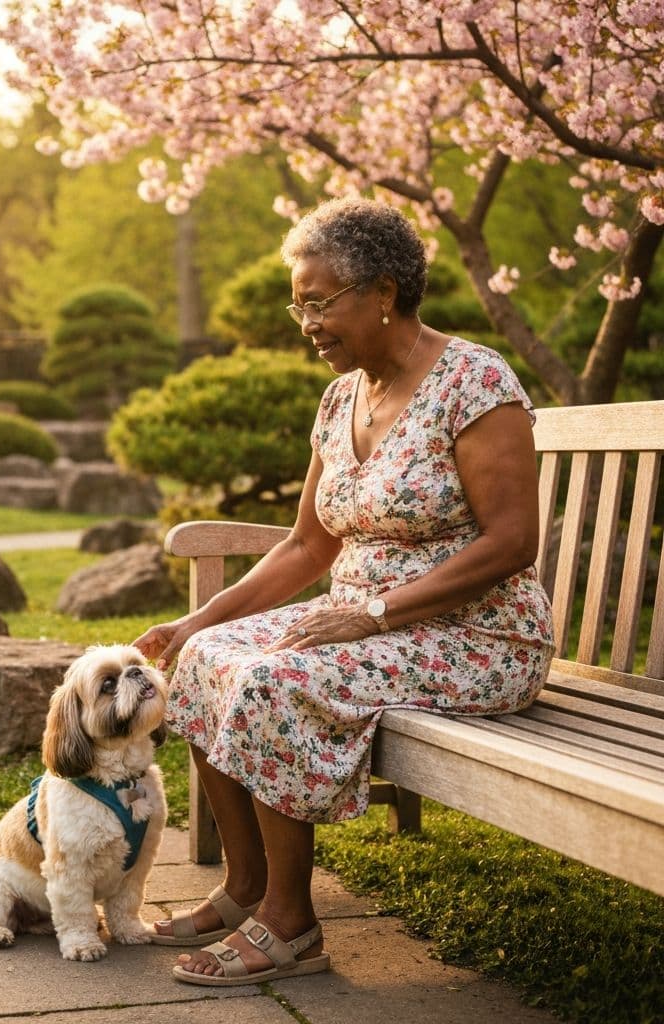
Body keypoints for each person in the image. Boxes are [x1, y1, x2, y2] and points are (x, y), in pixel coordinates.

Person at [133, 197, 554, 987]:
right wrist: (197, 618)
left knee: (270, 680)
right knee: (205, 657)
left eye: (320, 302)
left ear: (384, 292)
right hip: (358, 624)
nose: (307, 324)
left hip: (476, 635)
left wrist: (373, 612)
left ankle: (292, 927)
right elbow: (306, 544)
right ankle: (246, 890)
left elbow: (511, 542)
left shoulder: (474, 381)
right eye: (299, 305)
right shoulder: (339, 400)